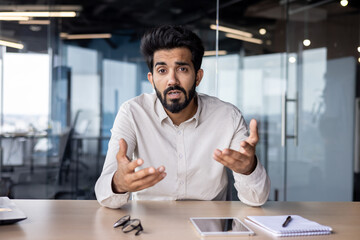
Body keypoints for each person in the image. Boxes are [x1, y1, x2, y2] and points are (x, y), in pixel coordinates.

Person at [95, 25, 270, 209]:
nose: (172, 80)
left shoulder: (227, 116)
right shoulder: (132, 113)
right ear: (151, 79)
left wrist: (248, 169)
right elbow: (104, 195)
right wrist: (118, 184)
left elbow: (257, 199)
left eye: (182, 69)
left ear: (198, 77)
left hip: (210, 228)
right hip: (148, 228)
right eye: (162, 70)